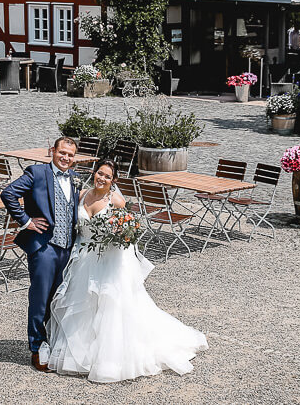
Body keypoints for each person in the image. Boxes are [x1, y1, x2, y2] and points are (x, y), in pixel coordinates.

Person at [42, 160, 208, 381]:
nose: (101, 178)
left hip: (108, 260)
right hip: (82, 257)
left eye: (107, 176)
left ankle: (108, 358)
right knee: (82, 305)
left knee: (110, 307)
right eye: (99, 173)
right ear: (94, 173)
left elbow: (129, 233)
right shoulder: (81, 194)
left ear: (114, 181)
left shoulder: (116, 200)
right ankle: (80, 351)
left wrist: (120, 238)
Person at [1, 136, 84, 372]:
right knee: (40, 300)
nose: (66, 158)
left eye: (70, 154)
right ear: (52, 151)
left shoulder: (75, 179)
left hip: (67, 249)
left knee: (59, 299)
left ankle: (54, 343)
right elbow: (8, 194)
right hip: (45, 248)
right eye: (62, 153)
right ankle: (37, 348)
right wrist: (26, 221)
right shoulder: (36, 173)